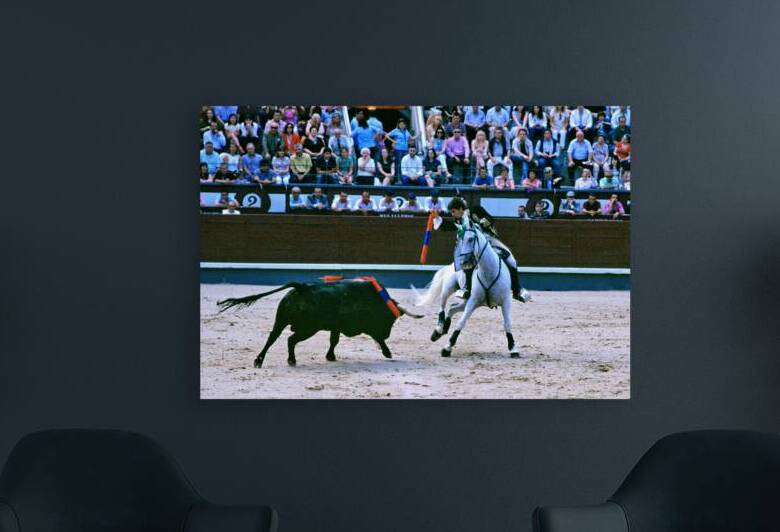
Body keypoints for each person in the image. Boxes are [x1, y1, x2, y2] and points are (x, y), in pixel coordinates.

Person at [432, 197, 529, 302]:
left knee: (511, 260)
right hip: (472, 246)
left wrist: (483, 222)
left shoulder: (475, 210)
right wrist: (438, 219)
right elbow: (450, 226)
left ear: (460, 208)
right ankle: (467, 289)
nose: (452, 214)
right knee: (467, 262)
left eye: (453, 211)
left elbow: (490, 218)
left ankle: (517, 290)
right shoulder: (458, 220)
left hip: (489, 241)